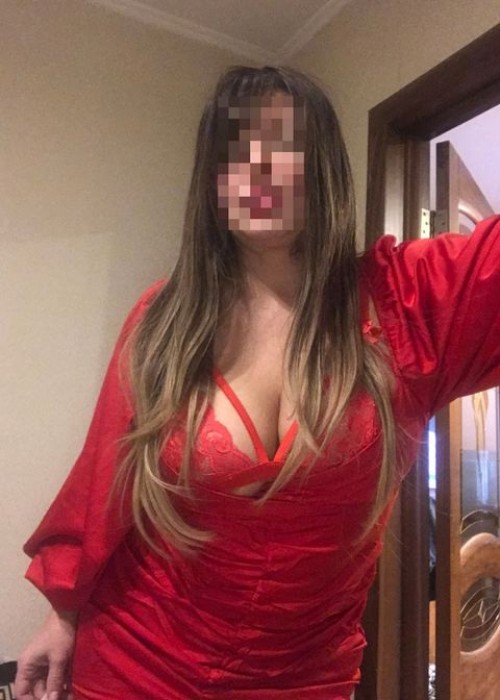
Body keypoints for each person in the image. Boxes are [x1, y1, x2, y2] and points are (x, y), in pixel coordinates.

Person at [15, 65, 500, 700]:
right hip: (136, 660)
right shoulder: (162, 320)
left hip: (305, 679)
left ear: (321, 166)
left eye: (284, 144)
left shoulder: (408, 304)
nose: (258, 167)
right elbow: (105, 482)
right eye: (236, 148)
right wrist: (63, 613)